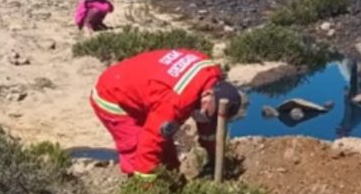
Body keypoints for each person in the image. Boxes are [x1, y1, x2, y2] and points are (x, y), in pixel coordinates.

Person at [90, 49, 246, 180]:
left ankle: (173, 184)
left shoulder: (210, 74)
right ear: (208, 94)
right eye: (207, 113)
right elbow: (150, 144)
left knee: (165, 152)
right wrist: (147, 186)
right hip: (112, 94)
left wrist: (215, 158)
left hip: (143, 88)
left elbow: (208, 127)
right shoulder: (175, 102)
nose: (203, 116)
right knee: (138, 150)